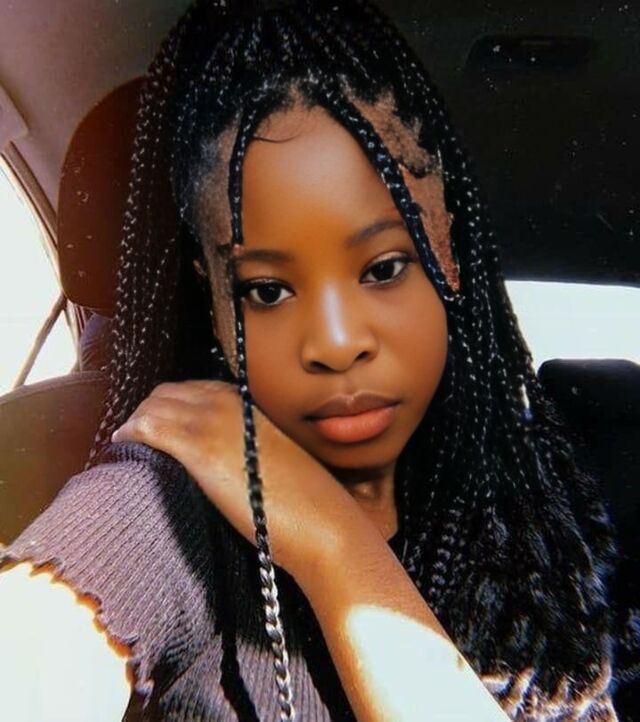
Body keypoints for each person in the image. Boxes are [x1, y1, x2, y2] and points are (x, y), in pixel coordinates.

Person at [0, 1, 628, 720]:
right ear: (216, 305)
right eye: (266, 290)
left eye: (385, 268)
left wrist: (328, 537)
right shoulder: (163, 497)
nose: (333, 342)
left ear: (449, 256)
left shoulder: (578, 497)